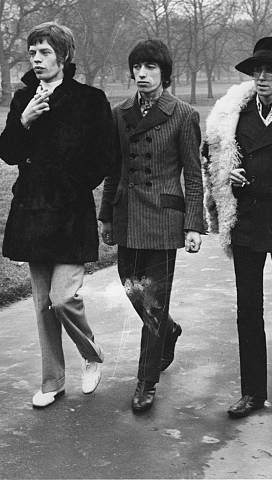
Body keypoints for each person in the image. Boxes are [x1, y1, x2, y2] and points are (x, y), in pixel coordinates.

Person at [0, 22, 114, 409]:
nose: (37, 59)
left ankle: (91, 354)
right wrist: (24, 120)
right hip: (32, 211)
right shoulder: (23, 98)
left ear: (63, 57)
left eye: (45, 52)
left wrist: (73, 184)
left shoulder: (89, 99)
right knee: (42, 304)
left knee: (62, 298)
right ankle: (52, 381)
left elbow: (104, 156)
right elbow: (8, 152)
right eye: (32, 52)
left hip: (70, 212)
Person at [203, 37, 272, 419]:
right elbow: (211, 156)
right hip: (247, 221)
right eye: (257, 70)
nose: (262, 77)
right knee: (248, 309)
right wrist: (227, 174)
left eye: (271, 70)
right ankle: (252, 392)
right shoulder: (233, 115)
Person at [99, 39, 205, 413]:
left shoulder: (183, 114)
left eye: (151, 68)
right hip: (127, 216)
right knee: (131, 286)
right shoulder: (119, 113)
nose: (142, 74)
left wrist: (194, 225)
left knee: (155, 301)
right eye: (137, 67)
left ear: (164, 73)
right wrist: (106, 216)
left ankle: (146, 381)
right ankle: (169, 330)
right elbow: (114, 170)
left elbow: (193, 175)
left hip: (163, 220)